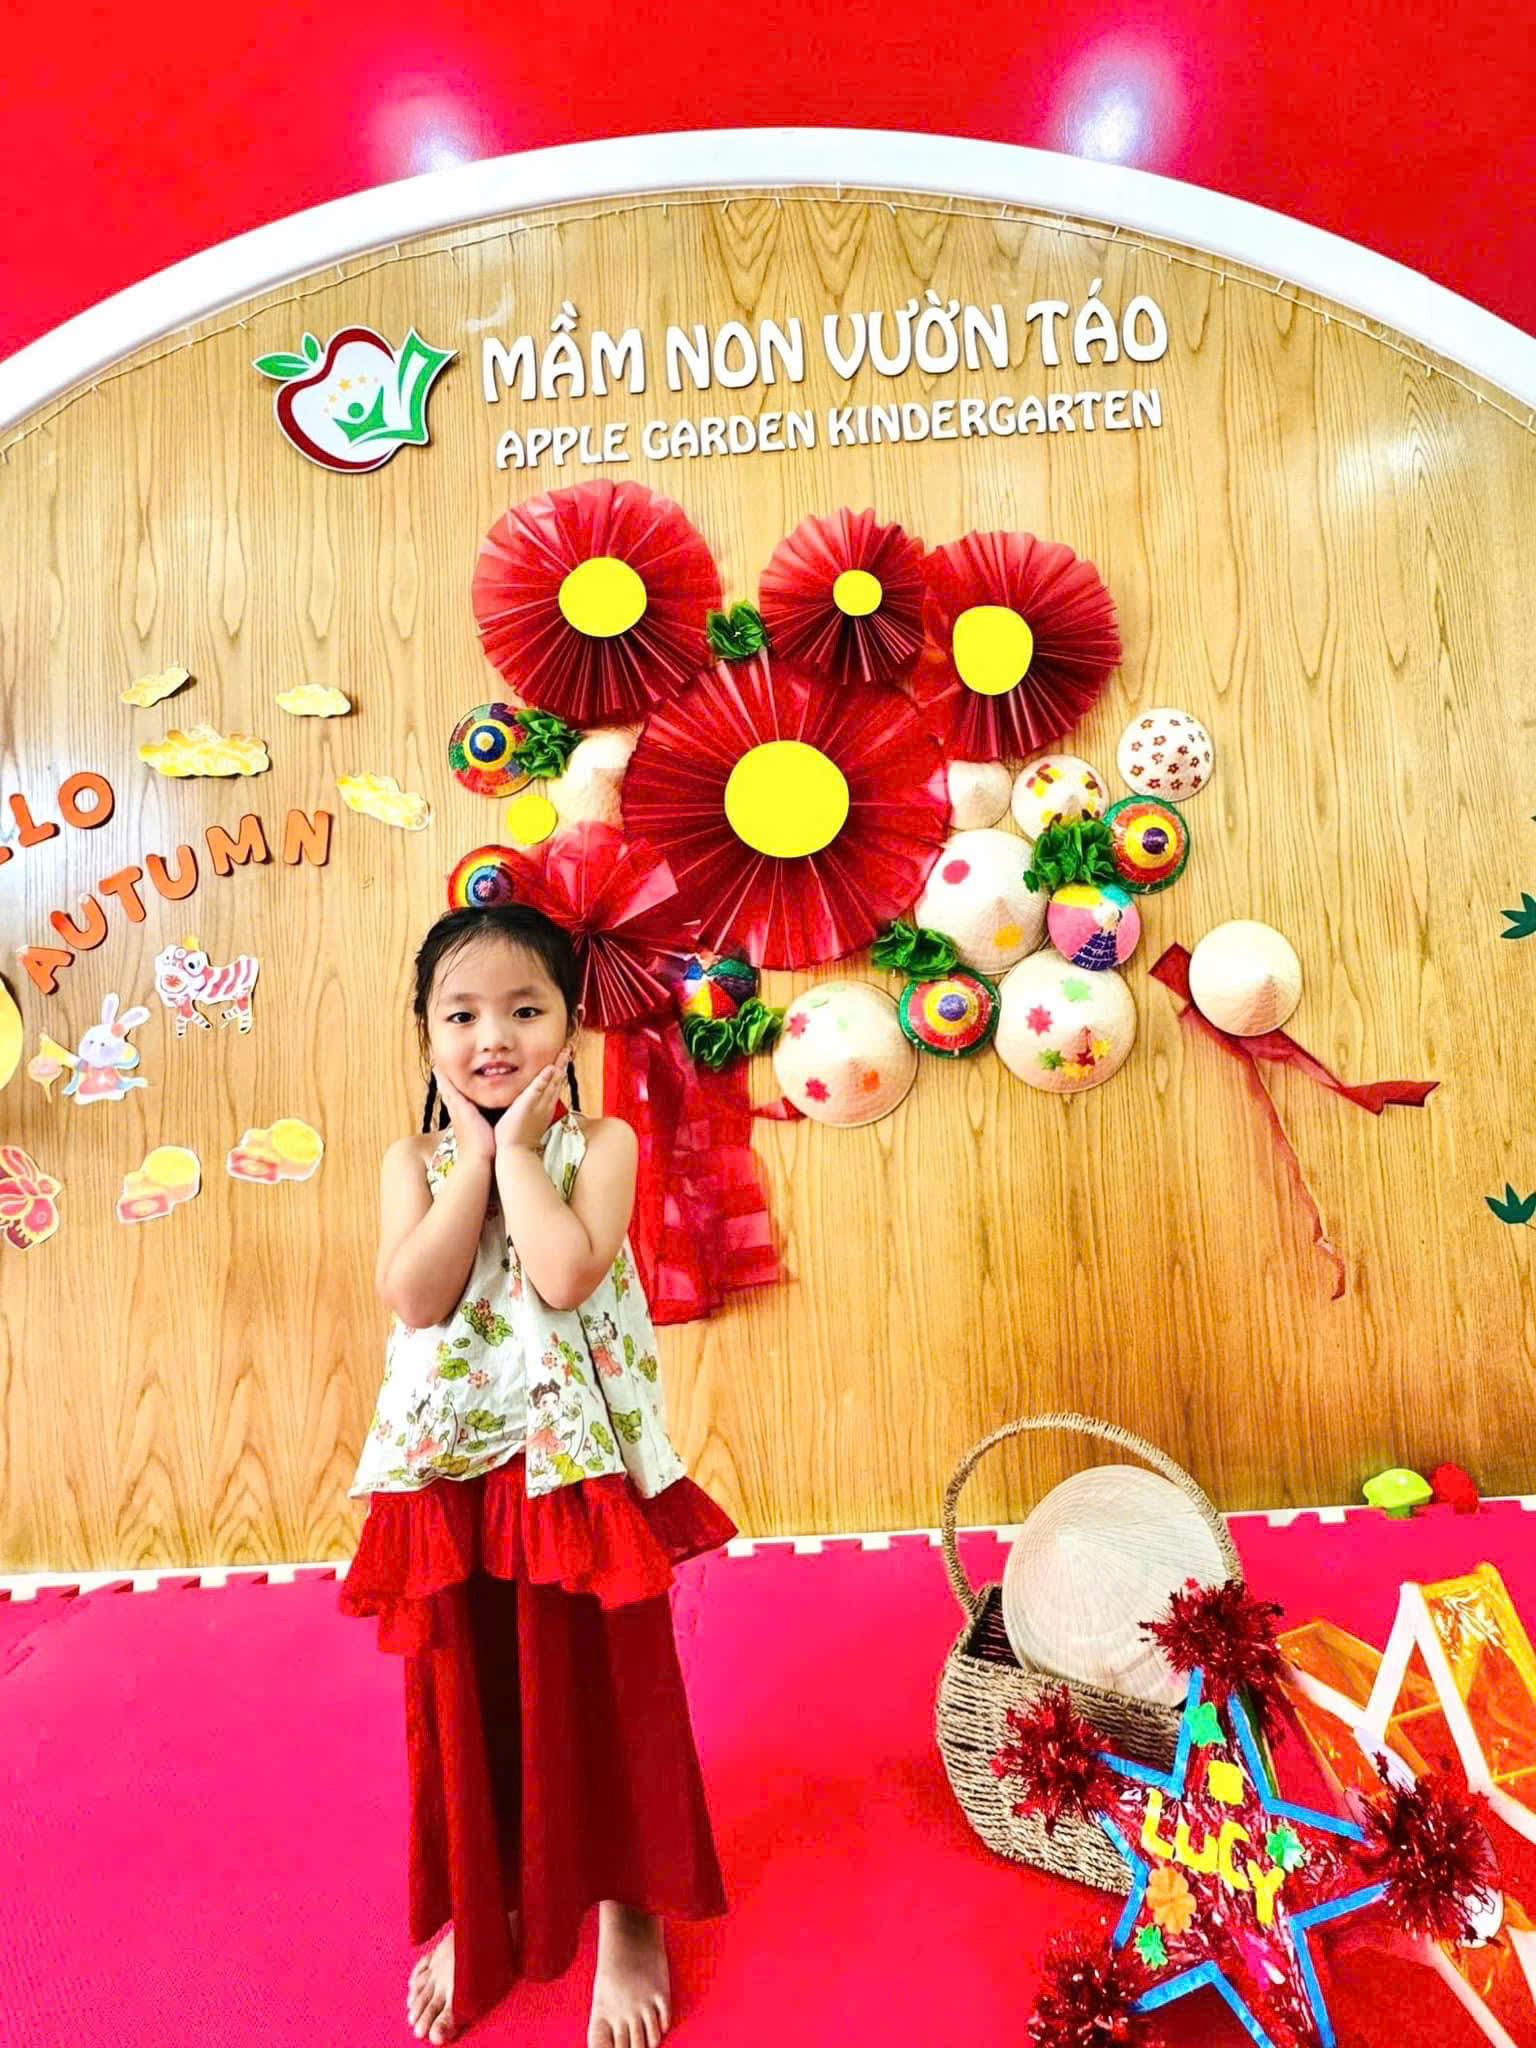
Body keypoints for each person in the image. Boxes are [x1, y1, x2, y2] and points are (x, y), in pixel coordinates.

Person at [339, 904, 735, 2046]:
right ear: (426, 1036)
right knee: (471, 1693)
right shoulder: (413, 1161)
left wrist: (516, 1152)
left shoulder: (598, 1145)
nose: (493, 1037)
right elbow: (417, 1296)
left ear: (569, 1029)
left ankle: (628, 1905)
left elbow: (562, 1274)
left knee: (608, 1684)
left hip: (577, 1471)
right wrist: (472, 1157)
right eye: (461, 1016)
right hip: (452, 1479)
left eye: (524, 1010)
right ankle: (489, 1895)